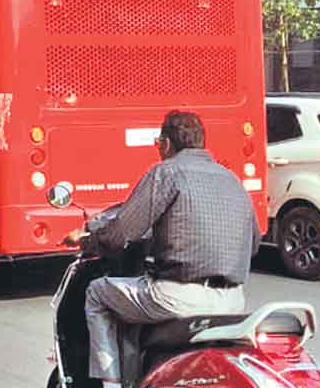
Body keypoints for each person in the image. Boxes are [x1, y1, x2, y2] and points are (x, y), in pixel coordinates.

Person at [75, 111, 259, 388]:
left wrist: (87, 240)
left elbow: (121, 232)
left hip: (176, 298)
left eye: (158, 143)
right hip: (232, 301)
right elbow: (253, 243)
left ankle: (111, 383)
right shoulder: (231, 178)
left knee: (97, 293)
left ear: (166, 144)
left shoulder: (166, 173)